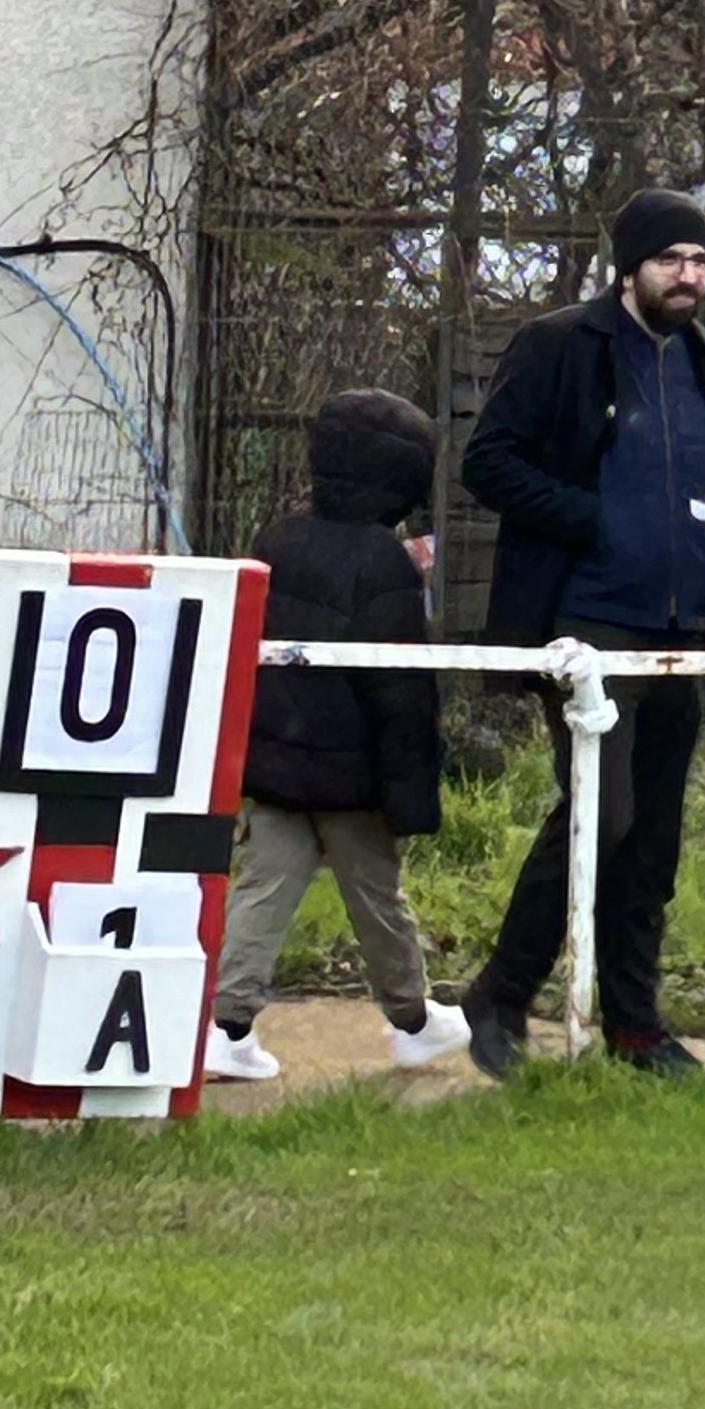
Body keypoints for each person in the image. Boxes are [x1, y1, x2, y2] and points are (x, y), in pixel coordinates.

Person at [457, 187, 705, 1080]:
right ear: (630, 268)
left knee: (653, 832)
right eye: (671, 260)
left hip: (682, 630)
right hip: (586, 626)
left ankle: (635, 1022)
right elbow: (486, 462)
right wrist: (592, 517)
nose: (689, 276)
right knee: (601, 812)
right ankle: (501, 993)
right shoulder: (558, 347)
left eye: (700, 261)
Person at [205, 388, 471, 1083]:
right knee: (378, 897)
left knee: (262, 889)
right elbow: (400, 689)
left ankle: (224, 1026)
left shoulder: (276, 539)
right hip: (353, 780)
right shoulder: (386, 564)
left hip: (274, 765)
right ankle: (412, 1022)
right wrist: (410, 794)